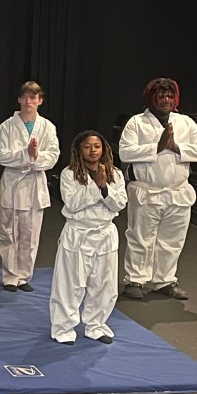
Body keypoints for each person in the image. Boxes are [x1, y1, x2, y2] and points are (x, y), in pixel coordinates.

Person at [118, 78, 197, 300]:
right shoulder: (137, 123)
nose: (166, 100)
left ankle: (165, 280)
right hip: (147, 190)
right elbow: (125, 152)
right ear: (152, 98)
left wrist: (176, 147)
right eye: (161, 96)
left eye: (170, 96)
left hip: (177, 192)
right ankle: (135, 280)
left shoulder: (185, 122)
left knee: (172, 240)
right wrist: (156, 147)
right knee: (141, 237)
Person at [49, 131, 128, 345]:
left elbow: (120, 203)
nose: (93, 150)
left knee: (104, 284)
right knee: (70, 285)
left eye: (97, 146)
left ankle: (96, 325)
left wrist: (104, 188)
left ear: (104, 149)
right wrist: (97, 188)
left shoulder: (114, 173)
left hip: (105, 234)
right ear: (79, 150)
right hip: (79, 233)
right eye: (87, 146)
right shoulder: (69, 174)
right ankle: (63, 328)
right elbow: (72, 203)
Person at [0, 81, 60, 292]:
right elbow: (1, 155)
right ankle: (10, 276)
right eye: (25, 97)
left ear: (40, 101)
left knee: (30, 235)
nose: (28, 101)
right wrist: (25, 154)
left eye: (33, 97)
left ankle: (23, 276)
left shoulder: (47, 127)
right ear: (19, 100)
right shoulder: (6, 126)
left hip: (34, 183)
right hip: (13, 183)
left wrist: (35, 157)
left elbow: (53, 156)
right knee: (8, 232)